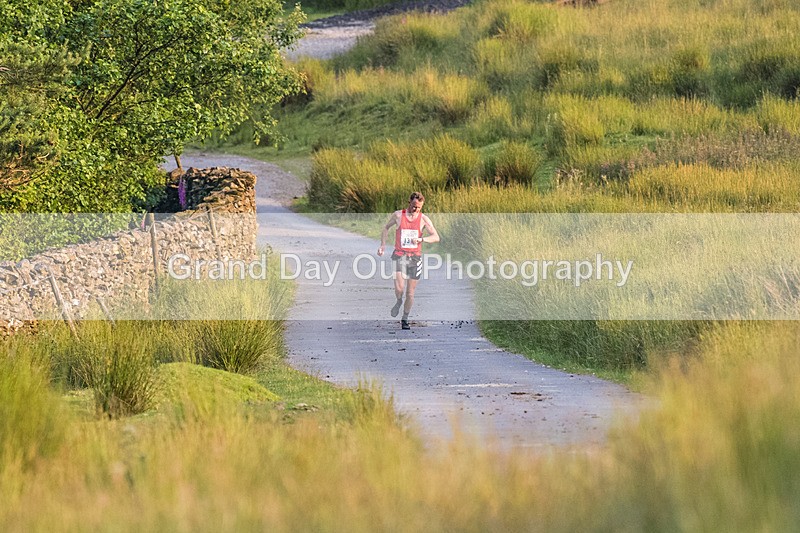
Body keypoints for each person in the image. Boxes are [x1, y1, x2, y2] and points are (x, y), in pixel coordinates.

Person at [377, 192, 440, 330]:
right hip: (399, 255)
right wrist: (382, 245)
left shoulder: (424, 219)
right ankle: (399, 301)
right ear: (409, 203)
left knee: (410, 293)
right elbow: (386, 228)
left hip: (415, 258)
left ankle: (405, 318)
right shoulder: (398, 215)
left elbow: (436, 237)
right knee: (399, 289)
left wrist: (421, 239)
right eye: (413, 206)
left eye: (419, 207)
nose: (415, 209)